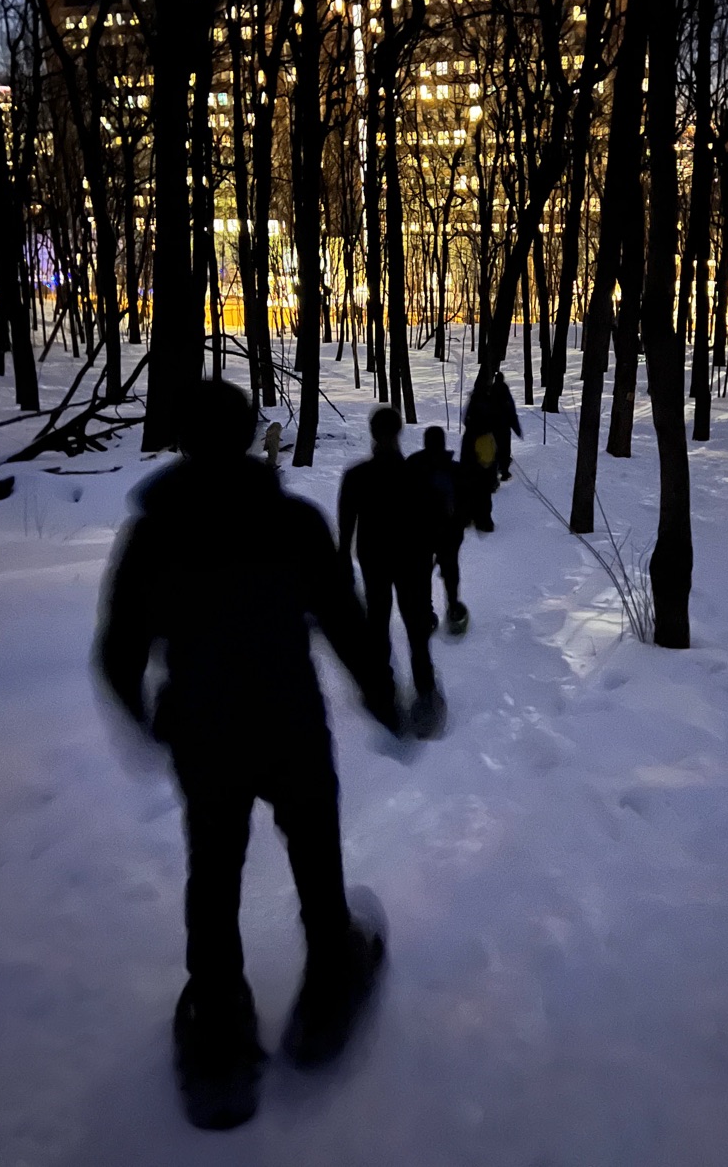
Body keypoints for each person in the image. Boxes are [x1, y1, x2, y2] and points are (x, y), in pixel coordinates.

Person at [94, 380, 402, 1129]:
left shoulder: (152, 532)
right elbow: (346, 621)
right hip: (289, 720)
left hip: (203, 731)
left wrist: (145, 718)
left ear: (183, 440)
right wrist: (384, 700)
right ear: (245, 435)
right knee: (314, 849)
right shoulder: (292, 520)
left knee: (215, 868)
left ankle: (218, 1026)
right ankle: (331, 971)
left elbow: (118, 649)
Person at [339, 406, 448, 739]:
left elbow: (346, 523)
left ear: (372, 433)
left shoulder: (357, 476)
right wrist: (439, 552)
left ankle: (383, 693)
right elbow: (436, 518)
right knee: (415, 625)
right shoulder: (416, 474)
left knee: (378, 621)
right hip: (412, 560)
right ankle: (425, 693)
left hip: (375, 559)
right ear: (400, 432)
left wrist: (344, 554)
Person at [406, 426, 469, 633]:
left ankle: (425, 612)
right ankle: (452, 607)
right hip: (449, 532)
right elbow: (464, 504)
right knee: (450, 570)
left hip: (420, 533)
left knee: (422, 573)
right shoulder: (455, 470)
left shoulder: (412, 468)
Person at [460, 373, 499, 532]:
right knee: (485, 483)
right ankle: (484, 520)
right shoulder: (491, 401)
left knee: (469, 481)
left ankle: (468, 516)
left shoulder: (472, 401)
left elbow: (465, 420)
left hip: (470, 442)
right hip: (486, 442)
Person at [491, 369, 523, 481]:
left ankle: (493, 470)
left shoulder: (490, 391)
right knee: (505, 448)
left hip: (492, 426)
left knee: (494, 448)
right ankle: (504, 471)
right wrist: (517, 429)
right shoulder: (505, 392)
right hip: (504, 427)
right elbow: (511, 412)